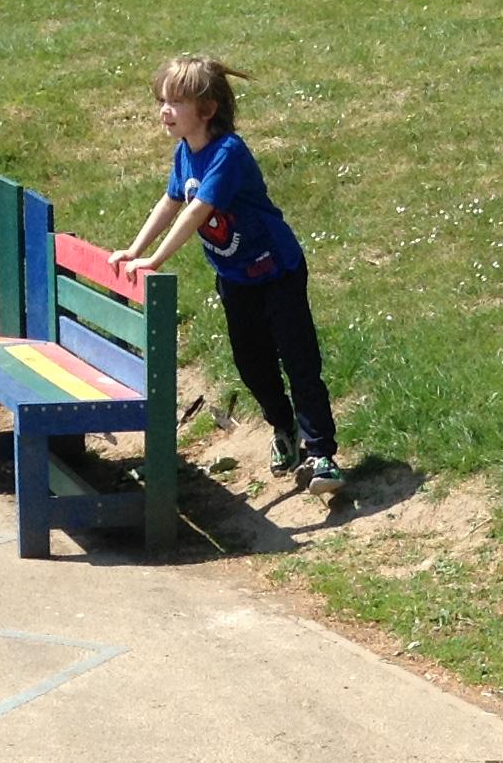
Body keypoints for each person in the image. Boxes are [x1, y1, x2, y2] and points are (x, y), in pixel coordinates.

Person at [109, 55, 346, 499]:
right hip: (236, 278)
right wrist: (134, 250)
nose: (164, 111)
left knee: (299, 362)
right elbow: (171, 201)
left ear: (207, 109)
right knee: (252, 365)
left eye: (175, 102)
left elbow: (197, 210)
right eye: (161, 101)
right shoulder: (185, 153)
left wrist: (156, 260)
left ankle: (322, 453)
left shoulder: (228, 153)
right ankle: (284, 428)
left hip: (277, 271)